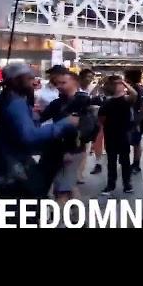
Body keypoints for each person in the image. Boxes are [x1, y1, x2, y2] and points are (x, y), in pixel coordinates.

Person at [0, 63, 78, 198]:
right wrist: (64, 124)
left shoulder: (5, 99)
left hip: (8, 160)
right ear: (15, 80)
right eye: (29, 79)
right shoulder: (16, 103)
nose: (33, 83)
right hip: (15, 162)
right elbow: (29, 135)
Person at [39, 71, 94, 204]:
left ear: (74, 82)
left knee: (62, 190)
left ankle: (61, 221)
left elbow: (90, 127)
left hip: (71, 150)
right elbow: (42, 119)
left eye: (63, 82)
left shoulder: (84, 101)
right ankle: (78, 218)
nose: (59, 86)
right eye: (57, 83)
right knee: (69, 186)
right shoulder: (57, 103)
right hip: (57, 149)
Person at [98, 75, 138, 195]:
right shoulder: (107, 102)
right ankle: (111, 185)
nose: (118, 85)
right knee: (111, 161)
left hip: (123, 134)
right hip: (111, 134)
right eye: (115, 84)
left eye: (119, 83)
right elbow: (101, 119)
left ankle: (127, 184)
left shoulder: (126, 99)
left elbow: (134, 94)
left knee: (125, 161)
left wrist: (124, 83)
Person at [125, 69, 143, 175]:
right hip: (134, 118)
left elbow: (138, 105)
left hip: (135, 119)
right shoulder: (136, 87)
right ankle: (135, 164)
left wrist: (137, 121)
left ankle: (136, 165)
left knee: (136, 143)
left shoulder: (136, 88)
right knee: (135, 142)